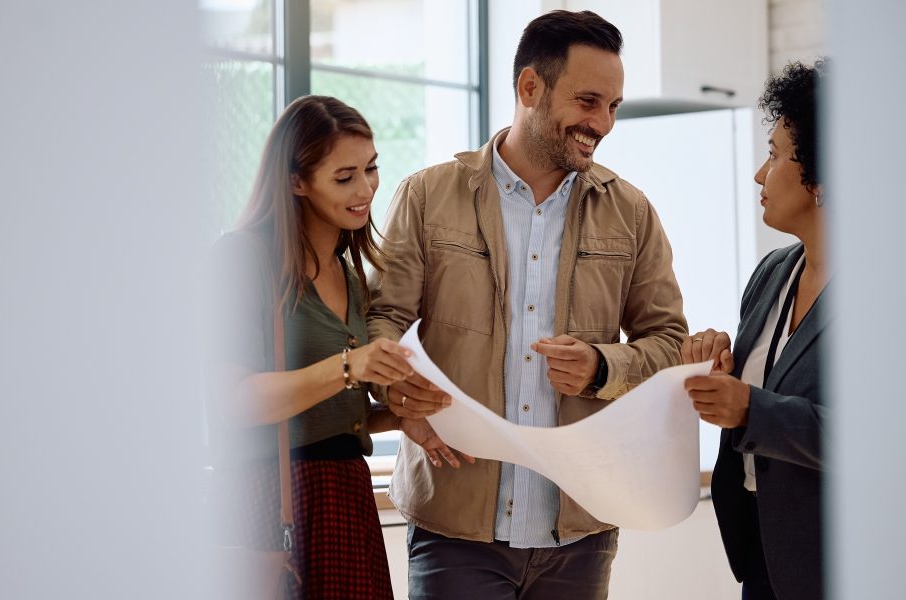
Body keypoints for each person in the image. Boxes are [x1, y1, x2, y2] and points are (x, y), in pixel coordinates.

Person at [367, 10, 688, 599]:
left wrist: (602, 366)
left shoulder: (633, 213)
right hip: (455, 527)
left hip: (582, 533)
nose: (603, 124)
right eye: (589, 101)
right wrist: (396, 395)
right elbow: (382, 320)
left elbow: (670, 343)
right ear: (529, 88)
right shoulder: (427, 195)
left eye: (613, 107)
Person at [208, 95, 448, 599]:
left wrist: (395, 416)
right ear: (296, 181)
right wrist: (348, 365)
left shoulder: (350, 272)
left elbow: (331, 417)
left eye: (371, 169)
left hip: (346, 498)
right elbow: (233, 401)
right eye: (344, 177)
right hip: (276, 501)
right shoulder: (243, 259)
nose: (366, 189)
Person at [681, 59, 830, 600]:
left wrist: (751, 408)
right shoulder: (772, 272)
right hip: (764, 557)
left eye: (773, 155)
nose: (759, 175)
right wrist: (719, 363)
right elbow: (762, 385)